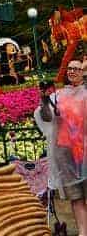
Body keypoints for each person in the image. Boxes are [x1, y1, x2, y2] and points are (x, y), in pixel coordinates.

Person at [36, 61, 87, 236]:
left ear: (83, 72)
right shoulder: (58, 96)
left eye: (76, 68)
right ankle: (83, 232)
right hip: (66, 155)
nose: (72, 71)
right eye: (70, 68)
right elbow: (46, 118)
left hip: (85, 153)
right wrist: (44, 100)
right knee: (76, 197)